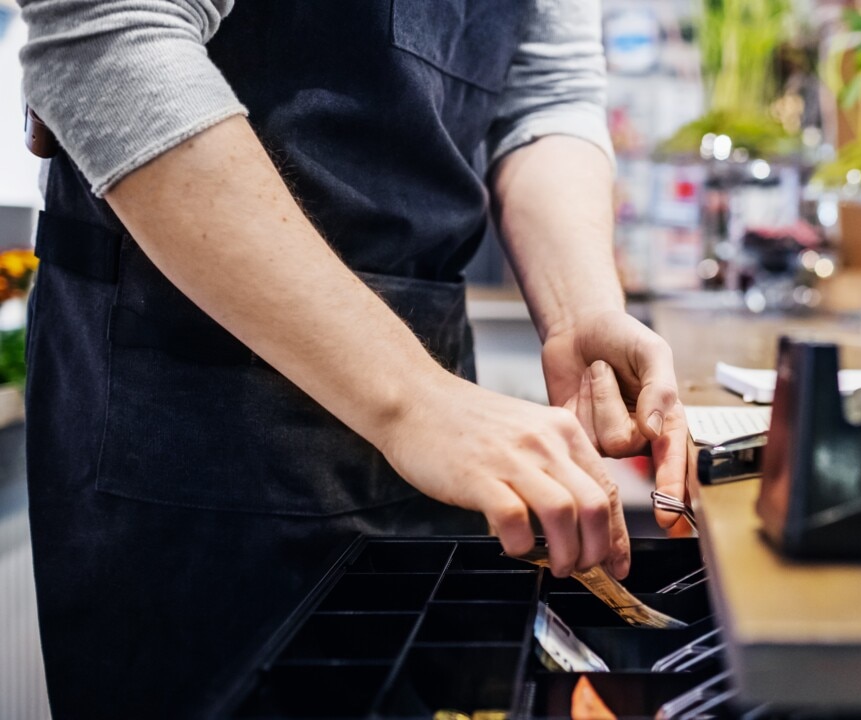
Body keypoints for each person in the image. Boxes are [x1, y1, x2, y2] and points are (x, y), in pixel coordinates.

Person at [16, 0, 688, 716]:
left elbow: (545, 93)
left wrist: (580, 311)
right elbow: (107, 34)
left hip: (429, 394)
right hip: (189, 405)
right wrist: (413, 399)